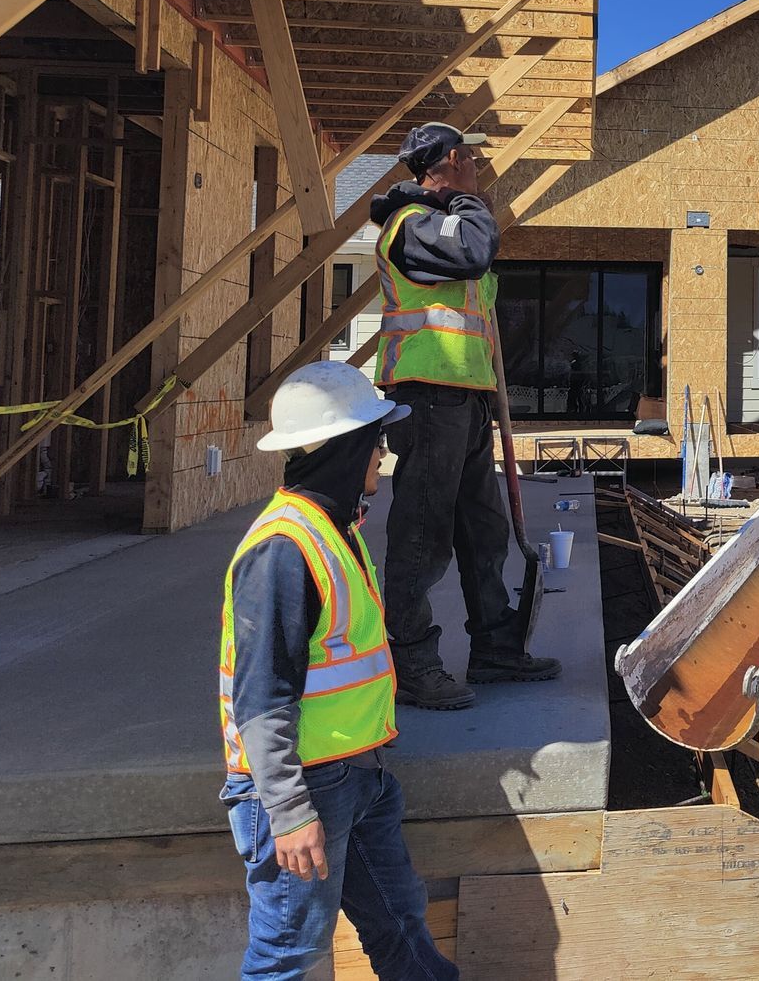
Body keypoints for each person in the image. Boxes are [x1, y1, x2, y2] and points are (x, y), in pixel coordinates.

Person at [219, 362, 457, 981]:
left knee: (401, 924)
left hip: (359, 774)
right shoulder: (284, 548)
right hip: (306, 787)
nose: (383, 452)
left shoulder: (333, 528)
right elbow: (261, 699)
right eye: (375, 439)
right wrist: (290, 811)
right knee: (288, 957)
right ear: (344, 446)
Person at [371, 122, 558, 710]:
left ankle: (495, 647)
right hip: (428, 395)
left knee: (484, 528)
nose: (479, 170)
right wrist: (468, 201)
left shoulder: (439, 223)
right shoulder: (414, 225)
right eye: (472, 160)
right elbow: (477, 250)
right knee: (423, 532)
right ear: (453, 159)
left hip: (466, 396)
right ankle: (411, 661)